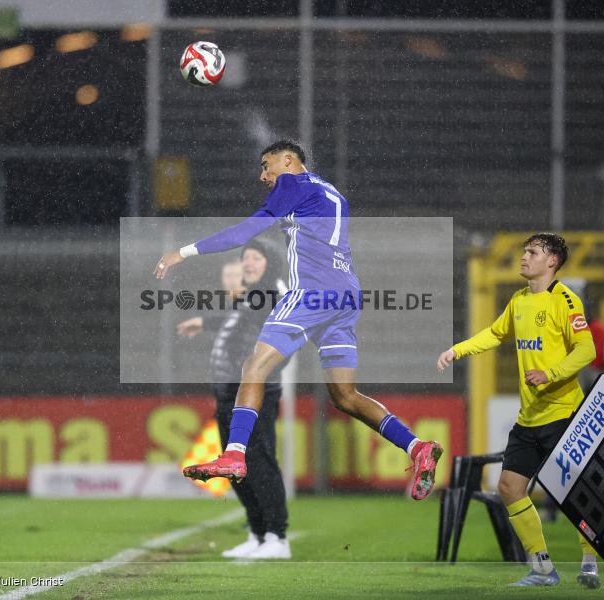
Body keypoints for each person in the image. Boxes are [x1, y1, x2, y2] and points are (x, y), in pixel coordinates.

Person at [155, 140, 443, 500]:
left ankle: (234, 455)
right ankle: (417, 447)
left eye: (266, 165)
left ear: (288, 160)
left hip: (312, 292)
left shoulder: (294, 184)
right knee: (345, 395)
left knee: (253, 365)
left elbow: (245, 232)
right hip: (346, 296)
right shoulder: (330, 191)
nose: (263, 175)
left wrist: (183, 252)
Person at [436, 233, 600, 588]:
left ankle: (589, 559)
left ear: (552, 261)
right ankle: (542, 567)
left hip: (562, 414)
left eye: (533, 252)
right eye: (525, 251)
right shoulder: (519, 300)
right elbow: (495, 334)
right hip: (529, 418)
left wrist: (552, 373)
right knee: (509, 487)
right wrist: (457, 350)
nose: (524, 257)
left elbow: (586, 350)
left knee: (572, 491)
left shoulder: (566, 301)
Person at [177, 240, 291, 559]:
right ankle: (257, 533)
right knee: (236, 467)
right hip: (228, 396)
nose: (249, 263)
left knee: (260, 462)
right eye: (246, 258)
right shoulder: (249, 299)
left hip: (256, 395)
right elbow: (235, 328)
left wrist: (257, 371)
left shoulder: (270, 295)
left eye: (256, 258)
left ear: (270, 263)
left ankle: (277, 537)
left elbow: (281, 344)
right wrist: (204, 322)